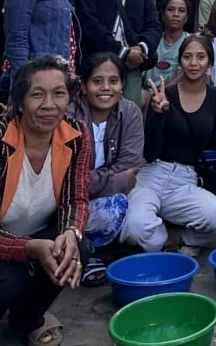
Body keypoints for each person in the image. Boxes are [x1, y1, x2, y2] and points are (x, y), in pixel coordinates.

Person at [0, 55, 89, 346]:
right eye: (37, 94)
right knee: (5, 282)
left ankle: (25, 320)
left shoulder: (76, 135)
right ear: (20, 101)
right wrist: (32, 249)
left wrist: (70, 233)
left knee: (79, 249)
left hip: (37, 234)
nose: (49, 105)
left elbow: (76, 197)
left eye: (59, 93)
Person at [124, 36, 216, 256]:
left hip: (184, 179)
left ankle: (188, 241)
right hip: (152, 174)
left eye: (200, 57)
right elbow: (149, 152)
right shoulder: (164, 95)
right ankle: (157, 238)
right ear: (180, 61)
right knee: (136, 230)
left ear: (210, 62)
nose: (194, 63)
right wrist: (158, 115)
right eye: (187, 57)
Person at [67, 52, 144, 287]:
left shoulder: (130, 112)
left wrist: (94, 181)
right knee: (113, 210)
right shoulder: (68, 115)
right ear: (84, 85)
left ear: (122, 84)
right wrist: (116, 181)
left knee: (144, 229)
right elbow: (68, 177)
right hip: (69, 200)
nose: (105, 88)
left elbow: (130, 165)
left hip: (110, 197)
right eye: (97, 81)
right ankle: (83, 255)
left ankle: (90, 253)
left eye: (113, 81)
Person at [145, 0, 191, 85]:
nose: (176, 14)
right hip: (149, 92)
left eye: (181, 11)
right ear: (162, 15)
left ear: (186, 18)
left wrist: (163, 93)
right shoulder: (152, 40)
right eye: (171, 9)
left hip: (176, 92)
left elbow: (182, 75)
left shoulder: (190, 42)